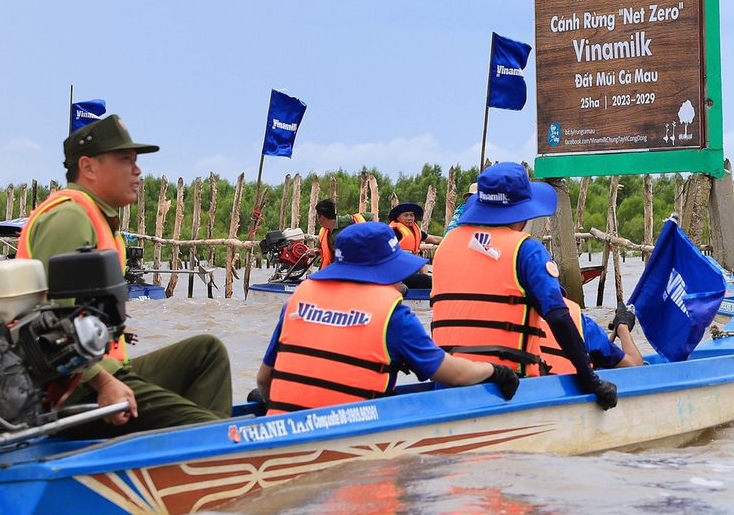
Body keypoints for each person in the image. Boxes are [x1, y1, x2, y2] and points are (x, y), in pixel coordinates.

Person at [18, 115, 232, 434]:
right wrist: (104, 383)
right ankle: (209, 445)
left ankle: (186, 446)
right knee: (211, 431)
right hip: (73, 385)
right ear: (89, 168)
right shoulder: (70, 217)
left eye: (135, 161)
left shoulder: (100, 218)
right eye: (125, 160)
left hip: (105, 370)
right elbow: (50, 324)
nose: (137, 170)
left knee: (207, 351)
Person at [254, 220, 521, 412]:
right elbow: (455, 376)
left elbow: (264, 381)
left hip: (283, 429)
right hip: (351, 437)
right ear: (383, 271)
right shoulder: (393, 316)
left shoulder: (298, 301)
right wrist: (496, 371)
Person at [428, 163, 622, 408]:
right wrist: (590, 381)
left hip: (446, 385)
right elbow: (558, 316)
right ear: (521, 213)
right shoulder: (527, 250)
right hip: (507, 388)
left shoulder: (446, 246)